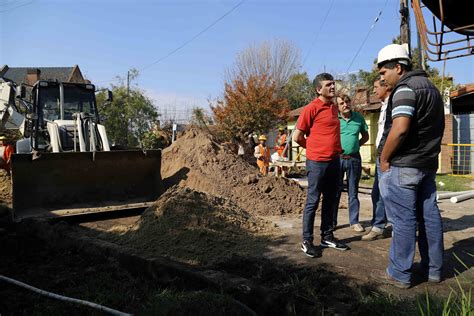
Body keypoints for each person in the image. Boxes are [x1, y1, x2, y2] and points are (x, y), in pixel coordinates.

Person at [375, 44, 445, 288]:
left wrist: (384, 158)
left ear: (398, 67)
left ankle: (400, 273)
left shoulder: (405, 88)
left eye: (384, 72)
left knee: (404, 221)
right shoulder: (433, 89)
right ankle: (434, 270)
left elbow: (401, 128)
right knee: (430, 217)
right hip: (427, 164)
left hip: (405, 166)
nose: (382, 77)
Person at [293, 73, 349, 258]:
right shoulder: (311, 108)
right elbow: (297, 136)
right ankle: (307, 240)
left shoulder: (334, 108)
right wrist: (314, 149)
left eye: (333, 84)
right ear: (319, 89)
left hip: (334, 161)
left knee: (331, 200)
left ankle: (327, 236)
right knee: (313, 200)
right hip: (317, 163)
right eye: (328, 85)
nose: (332, 87)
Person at [362, 77, 392, 241]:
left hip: (387, 157)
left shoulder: (394, 104)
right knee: (377, 193)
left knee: (384, 194)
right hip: (382, 156)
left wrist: (385, 156)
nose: (374, 91)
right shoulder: (384, 106)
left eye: (375, 87)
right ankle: (379, 224)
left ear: (386, 86)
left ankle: (381, 226)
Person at [333, 94, 369, 232]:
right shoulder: (335, 119)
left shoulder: (358, 118)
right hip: (337, 159)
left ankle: (354, 222)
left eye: (347, 102)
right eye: (341, 103)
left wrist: (355, 146)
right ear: (338, 106)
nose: (345, 105)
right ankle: (333, 221)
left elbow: (365, 136)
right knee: (335, 191)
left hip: (354, 159)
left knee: (353, 192)